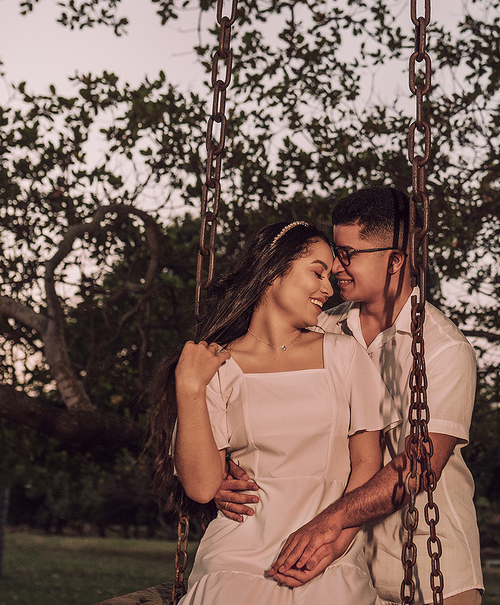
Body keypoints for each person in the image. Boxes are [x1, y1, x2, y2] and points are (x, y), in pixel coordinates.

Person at [216, 188, 484, 605]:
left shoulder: (443, 348)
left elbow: (422, 463)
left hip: (434, 574)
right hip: (340, 575)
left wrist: (330, 521)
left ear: (395, 260)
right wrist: (225, 473)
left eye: (348, 254)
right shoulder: (322, 330)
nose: (335, 269)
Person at [148, 220, 391, 604]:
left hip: (326, 555)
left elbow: (366, 462)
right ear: (274, 271)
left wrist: (333, 544)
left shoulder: (344, 356)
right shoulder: (219, 365)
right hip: (237, 553)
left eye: (330, 277)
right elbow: (201, 486)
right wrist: (190, 388)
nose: (328, 289)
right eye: (317, 272)